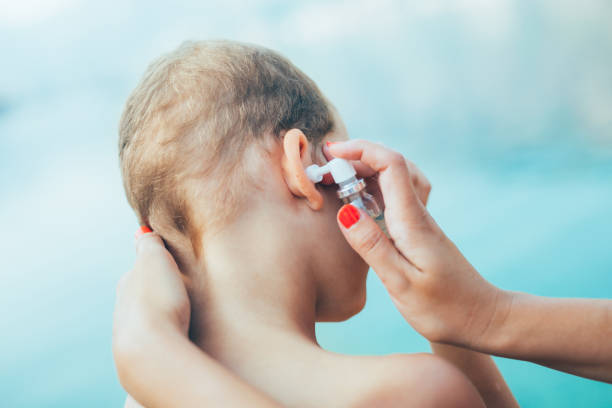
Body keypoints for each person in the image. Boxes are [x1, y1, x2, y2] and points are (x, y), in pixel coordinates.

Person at [113, 40, 518, 407]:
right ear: (301, 167)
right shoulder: (410, 394)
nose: (366, 195)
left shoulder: (148, 394)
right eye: (355, 178)